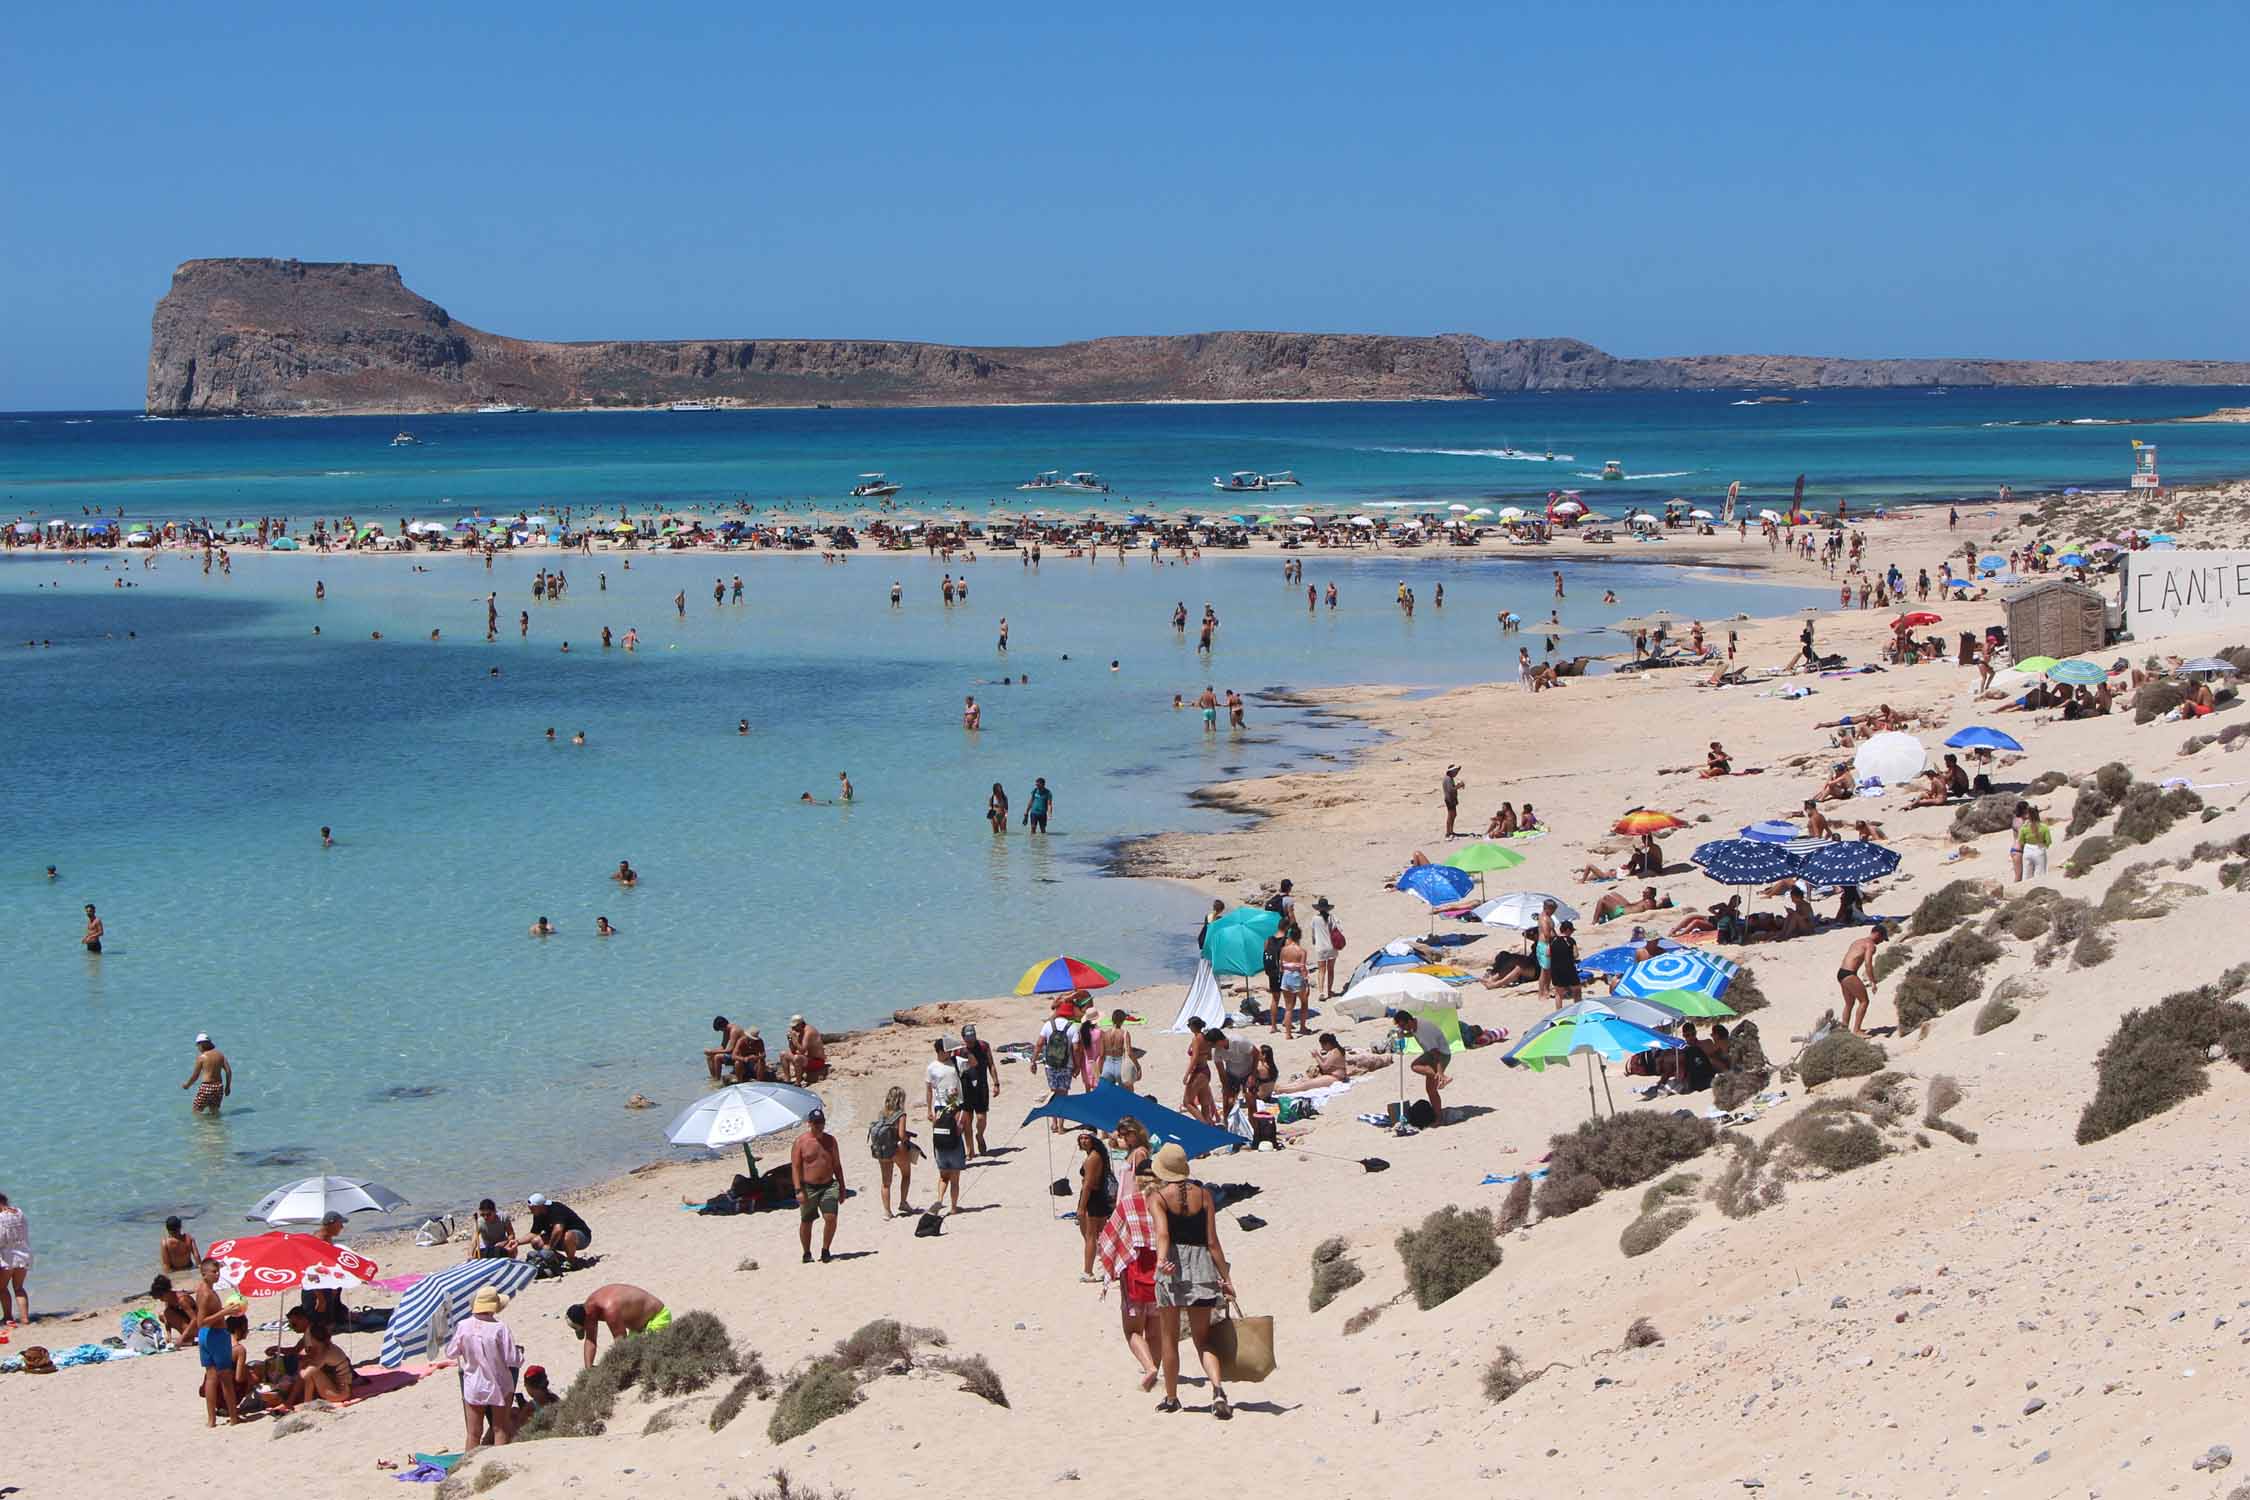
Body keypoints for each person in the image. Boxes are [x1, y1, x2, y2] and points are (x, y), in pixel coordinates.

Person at [1147, 1144, 1236, 1419]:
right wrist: (1227, 1278)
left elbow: (1163, 1235)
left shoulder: (1158, 1197)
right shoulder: (1205, 1195)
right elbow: (1212, 1241)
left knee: (1169, 1339)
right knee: (1203, 1339)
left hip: (1173, 1271)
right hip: (1202, 1269)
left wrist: (1161, 1263)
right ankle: (1218, 1389)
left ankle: (1172, 1398)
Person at [442, 1285, 522, 1450]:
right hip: (499, 1383)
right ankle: (499, 1465)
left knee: (473, 1433)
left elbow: (451, 1353)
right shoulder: (500, 1328)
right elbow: (512, 1359)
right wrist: (520, 1353)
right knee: (500, 1428)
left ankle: (467, 1468)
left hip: (473, 1382)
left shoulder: (463, 1326)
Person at [566, 1285, 669, 1368]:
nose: (587, 1329)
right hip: (638, 1329)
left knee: (641, 1361)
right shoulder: (588, 1309)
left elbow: (621, 1342)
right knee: (633, 1358)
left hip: (657, 1318)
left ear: (586, 1320)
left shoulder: (609, 1308)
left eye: (583, 1328)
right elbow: (590, 1340)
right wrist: (588, 1370)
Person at [192, 1258, 242, 1427]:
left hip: (206, 1336)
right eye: (214, 1272)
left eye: (218, 1271)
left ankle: (211, 1420)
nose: (217, 1274)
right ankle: (234, 1418)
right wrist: (225, 1312)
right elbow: (201, 1321)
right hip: (215, 1335)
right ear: (204, 1273)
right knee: (225, 1378)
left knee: (211, 1378)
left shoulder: (203, 1289)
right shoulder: (206, 1293)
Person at [793, 1107, 846, 1259]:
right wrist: (798, 1190)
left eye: (821, 1122)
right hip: (808, 1187)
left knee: (831, 1217)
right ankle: (806, 1252)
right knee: (807, 1221)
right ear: (809, 1123)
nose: (819, 1126)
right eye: (816, 1123)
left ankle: (825, 1249)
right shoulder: (801, 1142)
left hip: (829, 1185)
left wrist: (842, 1187)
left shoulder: (831, 1141)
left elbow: (837, 1165)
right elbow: (795, 1168)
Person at [1393, 1008, 1451, 1122]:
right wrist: (1404, 1034)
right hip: (1431, 1053)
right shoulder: (1415, 1023)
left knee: (1415, 1066)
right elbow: (1413, 1033)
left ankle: (1442, 1078)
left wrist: (1440, 1072)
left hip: (1441, 1055)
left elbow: (1437, 1054)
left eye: (1403, 1026)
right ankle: (1438, 1117)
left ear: (1409, 1021)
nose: (1402, 1028)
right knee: (1430, 1090)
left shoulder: (1425, 1031)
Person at [868, 1085, 916, 1218]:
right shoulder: (901, 1114)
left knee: (885, 1182)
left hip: (882, 1149)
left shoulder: (882, 1112)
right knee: (906, 1174)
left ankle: (887, 1212)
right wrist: (907, 1141)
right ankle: (903, 1202)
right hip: (895, 1149)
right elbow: (901, 1135)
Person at [1075, 1132, 1118, 1281]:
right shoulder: (1098, 1155)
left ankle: (1088, 1272)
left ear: (1093, 1139)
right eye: (1081, 1138)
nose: (1083, 1141)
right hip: (1099, 1197)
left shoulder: (1092, 1158)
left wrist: (1081, 1208)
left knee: (1090, 1236)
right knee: (1101, 1235)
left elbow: (1087, 1185)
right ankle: (1109, 1268)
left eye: (1087, 1138)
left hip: (1092, 1199)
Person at [1837, 924, 1889, 1035]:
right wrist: (1873, 981)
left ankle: (1844, 1028)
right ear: (1877, 934)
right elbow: (1868, 963)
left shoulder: (1858, 941)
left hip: (1841, 973)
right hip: (1849, 974)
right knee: (1864, 1001)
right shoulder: (1870, 945)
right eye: (1882, 938)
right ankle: (1857, 1030)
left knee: (1849, 1003)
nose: (1881, 941)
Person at [1037, 999, 1080, 1125]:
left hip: (1050, 1065)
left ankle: (1054, 1122)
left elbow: (1039, 1043)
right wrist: (1077, 1066)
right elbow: (1076, 1049)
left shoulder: (1048, 1025)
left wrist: (1033, 1061)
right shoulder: (1072, 1027)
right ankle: (1061, 1126)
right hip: (1066, 1065)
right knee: (1063, 1095)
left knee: (1053, 1093)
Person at [524, 1194, 591, 1265]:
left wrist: (549, 1247)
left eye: (532, 1209)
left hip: (582, 1237)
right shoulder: (538, 1214)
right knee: (536, 1241)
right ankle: (561, 1260)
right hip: (561, 1239)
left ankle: (571, 1261)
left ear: (540, 1206)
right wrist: (517, 1242)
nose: (531, 1211)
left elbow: (558, 1230)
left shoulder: (556, 1209)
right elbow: (533, 1233)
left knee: (568, 1235)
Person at [1181, 1016, 1220, 1125]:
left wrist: (1187, 1074)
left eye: (1189, 1025)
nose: (1188, 1027)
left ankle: (1204, 1126)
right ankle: (1209, 1124)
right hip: (1206, 1071)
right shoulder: (1205, 1038)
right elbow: (1209, 1057)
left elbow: (1194, 1058)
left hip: (1198, 1072)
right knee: (1204, 1103)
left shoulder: (1196, 1039)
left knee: (1187, 1102)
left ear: (1194, 1026)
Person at [182, 1033, 231, 1114]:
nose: (197, 1048)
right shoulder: (220, 1055)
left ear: (201, 1045)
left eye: (197, 1045)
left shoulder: (202, 1057)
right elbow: (228, 1071)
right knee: (214, 1110)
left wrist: (187, 1085)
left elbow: (195, 1076)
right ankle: (215, 1125)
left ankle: (200, 1126)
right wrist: (228, 1087)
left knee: (196, 1111)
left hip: (206, 1087)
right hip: (218, 1087)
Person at [1275, 923, 1308, 1038]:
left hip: (1286, 978)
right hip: (1297, 977)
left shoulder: (1283, 950)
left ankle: (1288, 1034)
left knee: (1288, 1008)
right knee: (1304, 1002)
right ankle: (1303, 1028)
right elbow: (1302, 968)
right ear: (1299, 937)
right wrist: (1306, 980)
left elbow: (1281, 967)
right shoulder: (1301, 951)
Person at [0, 1193, 26, 1325]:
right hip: (23, 1255)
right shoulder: (19, 1213)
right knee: (19, 1288)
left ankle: (8, 1318)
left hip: (7, 1258)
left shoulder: (0, 1218)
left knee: (2, 1288)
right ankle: (25, 1319)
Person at [1309, 897, 1342, 999]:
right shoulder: (1332, 917)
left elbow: (1313, 934)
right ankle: (1329, 991)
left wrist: (1314, 941)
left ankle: (1321, 992)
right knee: (1330, 970)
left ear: (1318, 908)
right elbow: (1338, 930)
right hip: (1331, 947)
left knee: (1321, 970)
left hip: (1320, 947)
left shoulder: (1315, 919)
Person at [779, 1015, 826, 1084]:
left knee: (797, 1058)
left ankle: (798, 1083)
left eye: (795, 1027)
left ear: (801, 1024)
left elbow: (802, 1051)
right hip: (807, 1059)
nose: (793, 1029)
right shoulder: (801, 1031)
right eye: (792, 1027)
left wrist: (794, 1039)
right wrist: (790, 1040)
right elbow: (793, 1050)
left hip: (817, 1061)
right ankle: (788, 1080)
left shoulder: (809, 1032)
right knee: (783, 1054)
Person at [705, 1015, 754, 1081]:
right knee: (709, 1057)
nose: (722, 1031)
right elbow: (723, 1046)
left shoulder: (734, 1031)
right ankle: (714, 1077)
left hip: (742, 1056)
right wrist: (711, 1051)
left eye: (721, 1030)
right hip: (735, 1054)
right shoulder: (727, 1030)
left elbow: (729, 1050)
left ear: (723, 1026)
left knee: (717, 1057)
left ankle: (717, 1079)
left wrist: (712, 1052)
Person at [2015, 803, 2052, 881]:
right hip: (2039, 849)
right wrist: (2044, 845)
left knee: (2026, 875)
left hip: (2027, 849)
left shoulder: (2024, 827)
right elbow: (2048, 841)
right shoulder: (2044, 827)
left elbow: (2021, 841)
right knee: (2040, 875)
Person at [1547, 920, 1583, 1002]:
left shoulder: (1553, 940)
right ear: (1567, 930)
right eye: (1571, 931)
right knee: (1577, 990)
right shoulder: (1570, 940)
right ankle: (1577, 1011)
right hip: (1569, 968)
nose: (1572, 933)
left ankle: (1559, 1012)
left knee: (1559, 993)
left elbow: (1548, 953)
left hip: (1555, 969)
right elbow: (1576, 955)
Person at [1441, 764, 1464, 837]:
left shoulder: (1449, 778)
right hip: (1449, 799)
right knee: (1451, 816)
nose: (1456, 774)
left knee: (1453, 815)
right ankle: (1448, 832)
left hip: (1451, 799)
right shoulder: (1448, 779)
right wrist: (1459, 786)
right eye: (1455, 772)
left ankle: (1451, 831)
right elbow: (1451, 790)